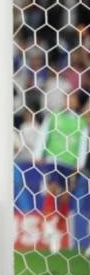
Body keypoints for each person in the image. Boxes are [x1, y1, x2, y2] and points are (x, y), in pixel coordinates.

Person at [33, 93, 89, 252]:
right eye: (67, 98)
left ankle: (57, 231)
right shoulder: (54, 117)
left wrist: (80, 162)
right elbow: (44, 133)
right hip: (53, 159)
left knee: (65, 197)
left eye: (73, 98)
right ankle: (49, 224)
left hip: (70, 163)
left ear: (77, 102)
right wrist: (38, 153)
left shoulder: (81, 122)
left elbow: (83, 142)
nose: (69, 101)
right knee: (52, 188)